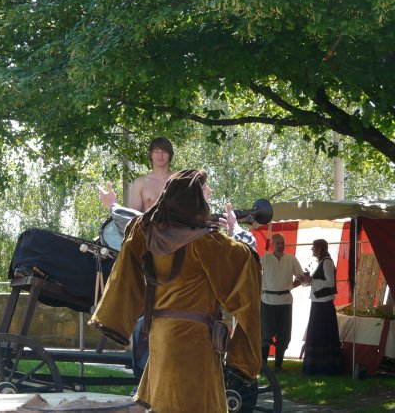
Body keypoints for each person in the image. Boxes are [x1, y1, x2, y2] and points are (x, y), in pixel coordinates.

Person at [89, 169, 262, 413]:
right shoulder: (206, 242)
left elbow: (131, 221)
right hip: (193, 341)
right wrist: (237, 230)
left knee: (165, 404)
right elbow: (246, 260)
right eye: (204, 188)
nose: (209, 191)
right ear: (191, 197)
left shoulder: (147, 232)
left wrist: (113, 205)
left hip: (160, 335)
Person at [260, 233, 305, 372]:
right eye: (278, 243)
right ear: (273, 244)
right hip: (267, 300)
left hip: (285, 301)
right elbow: (254, 275)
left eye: (282, 243)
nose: (281, 245)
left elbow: (301, 277)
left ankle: (278, 366)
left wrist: (291, 286)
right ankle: (263, 366)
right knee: (265, 333)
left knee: (284, 334)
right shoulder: (265, 259)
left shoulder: (291, 259)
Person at [99, 137, 175, 214]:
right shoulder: (141, 183)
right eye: (156, 152)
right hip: (148, 222)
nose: (160, 155)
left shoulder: (179, 181)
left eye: (164, 151)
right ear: (151, 155)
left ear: (170, 154)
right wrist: (112, 205)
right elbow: (133, 216)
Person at [301, 239, 343, 375]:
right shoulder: (322, 262)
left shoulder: (327, 262)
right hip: (319, 303)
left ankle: (324, 367)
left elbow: (330, 283)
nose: (311, 249)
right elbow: (319, 283)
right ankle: (316, 366)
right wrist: (307, 281)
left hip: (324, 305)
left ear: (319, 248)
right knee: (318, 333)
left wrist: (312, 280)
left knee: (322, 333)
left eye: (313, 247)